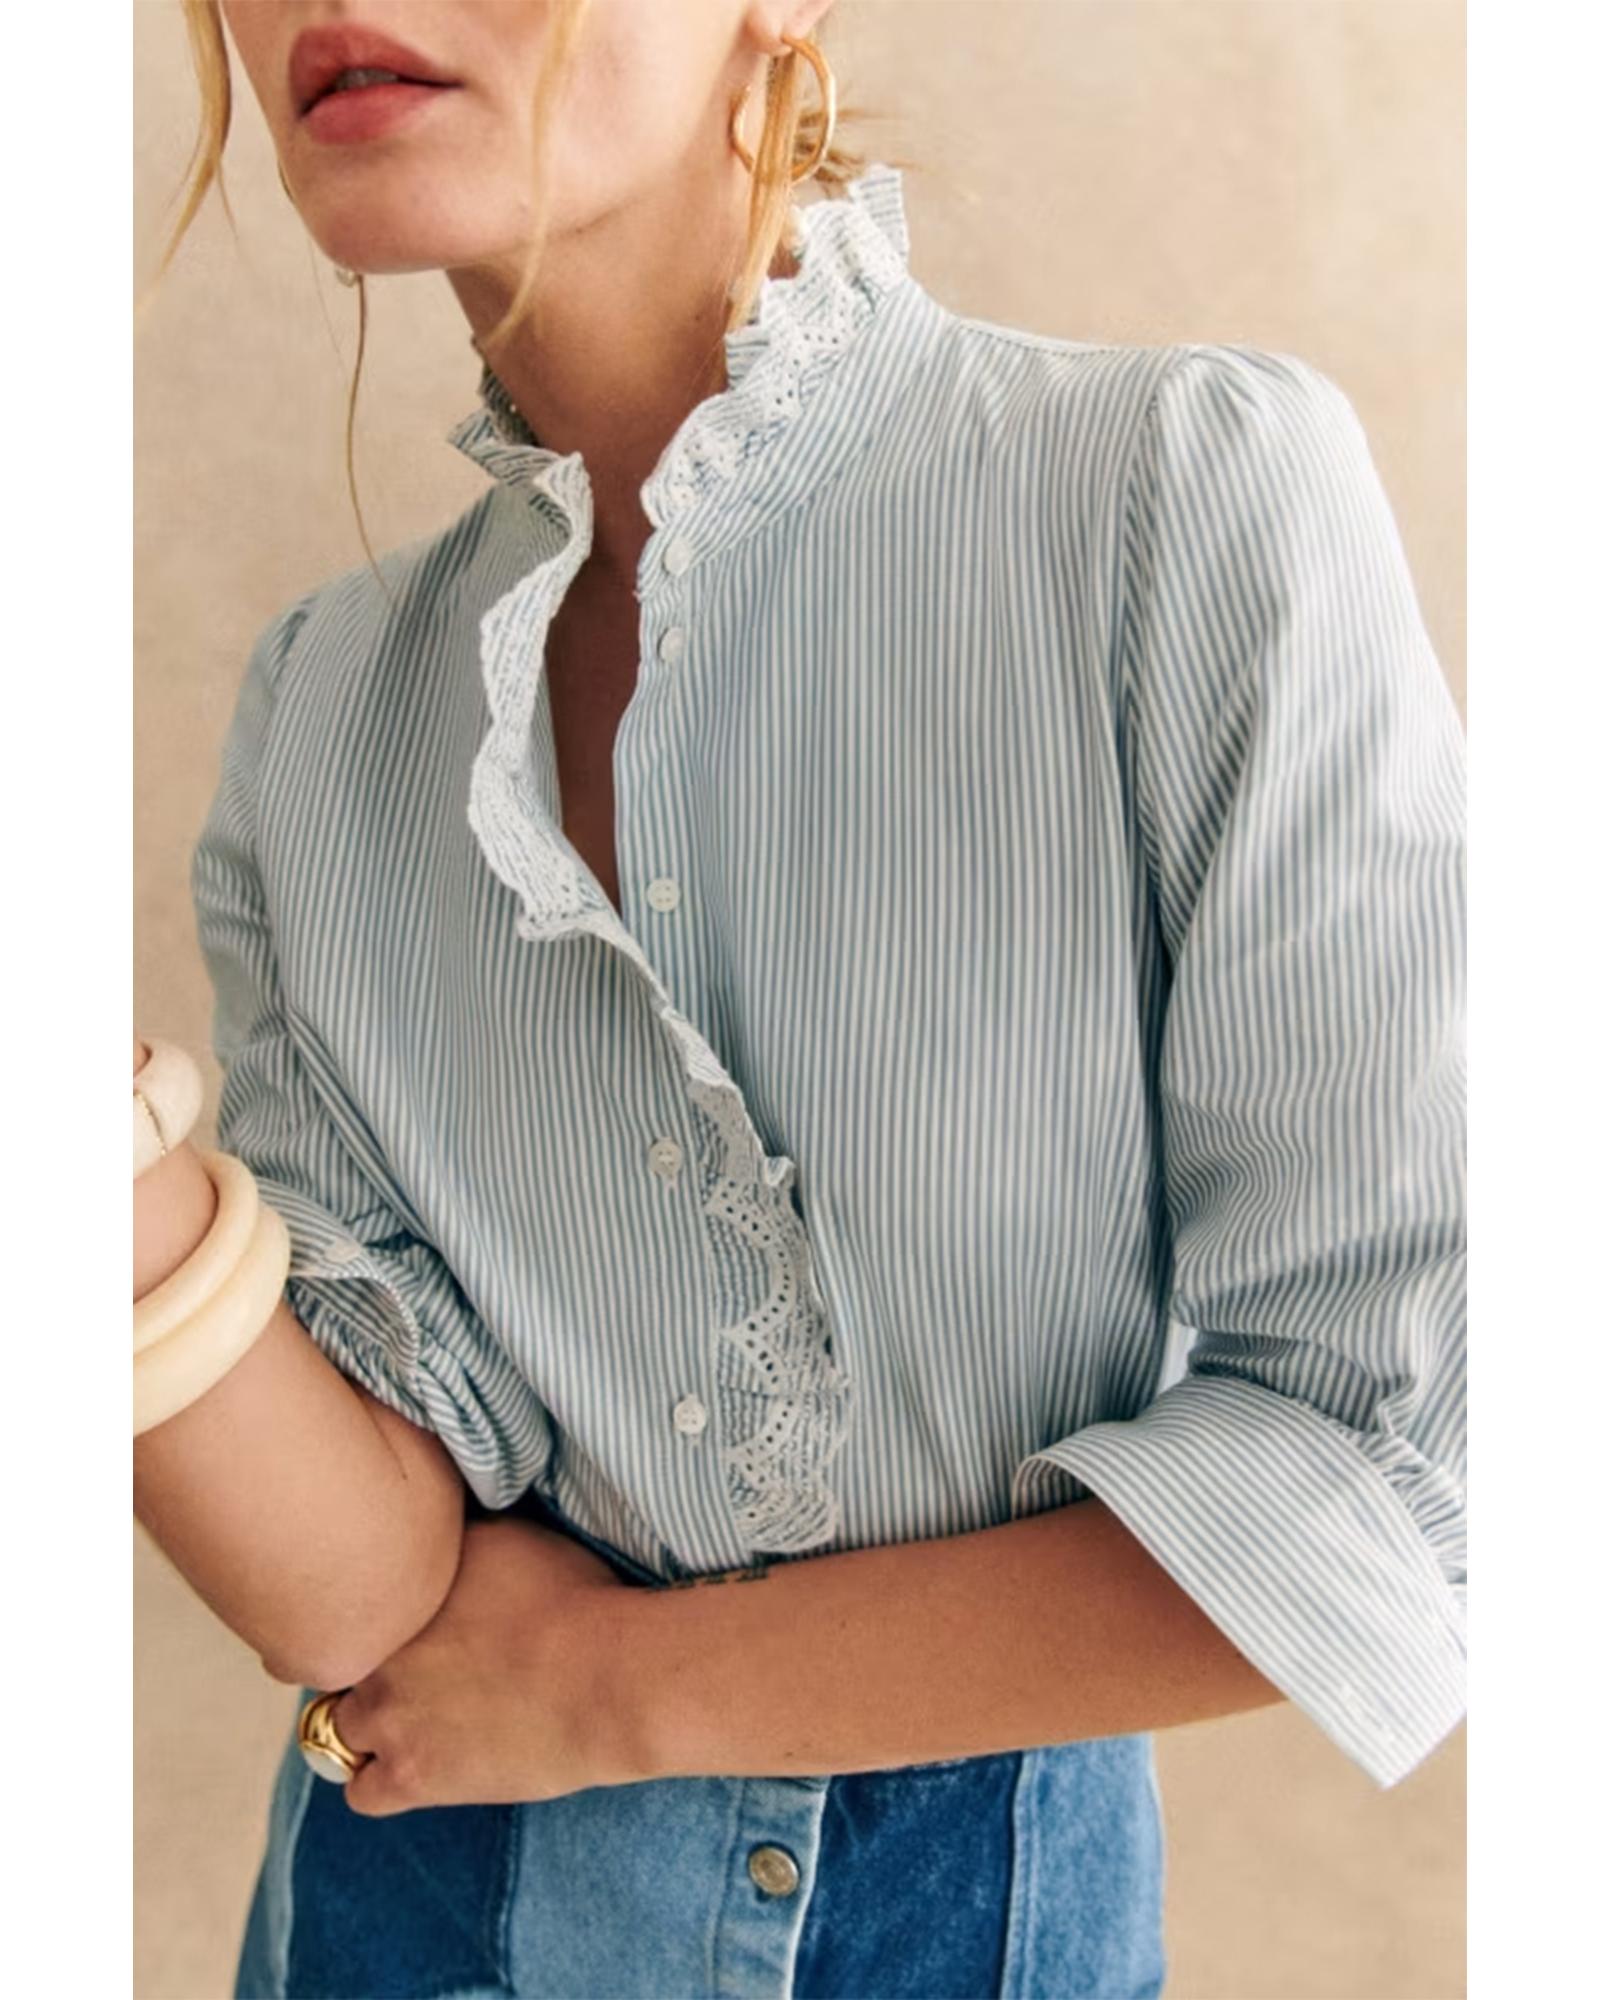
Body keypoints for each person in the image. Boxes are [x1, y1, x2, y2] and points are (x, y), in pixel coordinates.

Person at [132, 4, 1468, 1996]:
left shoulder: (1176, 501)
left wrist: (618, 1690)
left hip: (950, 1915)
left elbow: (1406, 1482)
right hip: (397, 1900)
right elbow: (364, 1598)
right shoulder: (323, 710)